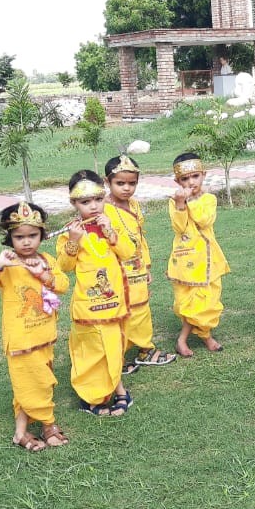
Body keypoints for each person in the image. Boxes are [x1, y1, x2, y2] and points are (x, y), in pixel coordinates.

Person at [0, 202, 71, 451]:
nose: (26, 242)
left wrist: (44, 275)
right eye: (19, 237)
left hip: (45, 335)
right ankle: (49, 423)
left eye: (32, 236)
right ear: (10, 238)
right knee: (32, 383)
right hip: (20, 340)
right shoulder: (8, 263)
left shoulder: (47, 259)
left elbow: (62, 284)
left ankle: (20, 433)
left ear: (42, 235)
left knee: (36, 383)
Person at [56, 171, 135, 417]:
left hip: (113, 300)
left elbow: (128, 252)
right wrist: (73, 241)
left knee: (114, 347)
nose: (93, 206)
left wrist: (111, 233)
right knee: (91, 351)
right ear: (74, 203)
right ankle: (90, 395)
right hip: (88, 305)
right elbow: (64, 267)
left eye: (98, 199)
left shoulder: (110, 222)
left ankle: (118, 387)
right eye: (85, 202)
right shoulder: (72, 231)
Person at [104, 154, 175, 374]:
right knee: (120, 311)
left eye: (132, 183)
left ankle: (145, 349)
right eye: (120, 183)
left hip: (136, 266)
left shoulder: (134, 205)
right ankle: (120, 355)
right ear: (107, 182)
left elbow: (140, 237)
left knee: (141, 307)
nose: (127, 188)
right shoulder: (103, 210)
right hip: (117, 270)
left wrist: (146, 266)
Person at [168, 152, 230, 356]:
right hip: (186, 259)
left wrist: (191, 202)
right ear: (177, 181)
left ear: (203, 175)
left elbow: (205, 220)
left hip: (208, 259)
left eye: (195, 176)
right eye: (185, 179)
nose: (190, 182)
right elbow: (179, 227)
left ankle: (204, 335)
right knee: (189, 303)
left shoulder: (209, 199)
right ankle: (186, 339)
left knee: (208, 301)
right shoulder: (174, 200)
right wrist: (180, 205)